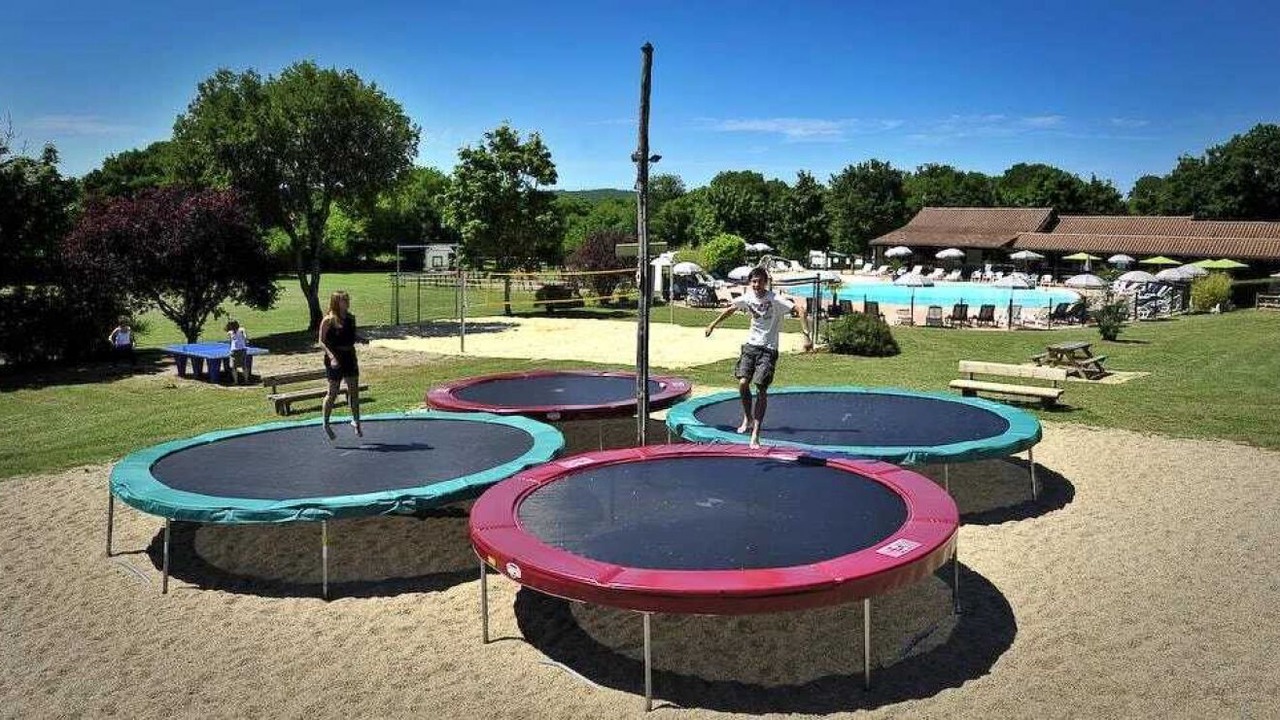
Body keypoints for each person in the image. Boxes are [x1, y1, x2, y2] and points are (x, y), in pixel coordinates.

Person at [705, 266, 812, 447]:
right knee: (742, 382)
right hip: (750, 346)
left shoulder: (775, 299)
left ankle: (756, 433)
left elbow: (800, 309)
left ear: (766, 282)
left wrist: (806, 335)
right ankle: (747, 417)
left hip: (768, 349)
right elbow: (731, 309)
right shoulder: (747, 298)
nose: (756, 285)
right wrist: (712, 325)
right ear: (750, 283)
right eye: (753, 281)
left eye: (760, 281)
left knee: (761, 388)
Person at [318, 290, 369, 440]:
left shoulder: (351, 318)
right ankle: (326, 423)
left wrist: (362, 339)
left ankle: (356, 421)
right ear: (336, 302)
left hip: (349, 357)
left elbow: (352, 335)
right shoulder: (328, 320)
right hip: (334, 358)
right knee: (332, 393)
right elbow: (321, 341)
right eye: (343, 300)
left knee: (354, 391)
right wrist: (332, 356)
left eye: (347, 299)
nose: (346, 302)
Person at [225, 320, 249, 385]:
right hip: (241, 350)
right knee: (243, 366)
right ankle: (246, 381)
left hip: (235, 350)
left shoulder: (232, 332)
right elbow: (246, 337)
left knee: (234, 367)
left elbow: (230, 342)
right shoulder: (240, 330)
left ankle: (236, 381)